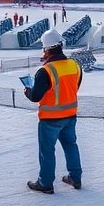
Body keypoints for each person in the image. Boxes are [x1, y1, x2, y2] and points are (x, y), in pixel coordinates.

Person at [25, 29, 83, 193]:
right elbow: (74, 87)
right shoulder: (74, 65)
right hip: (70, 116)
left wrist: (27, 91)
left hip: (50, 119)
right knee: (71, 145)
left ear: (47, 49)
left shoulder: (46, 71)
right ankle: (76, 178)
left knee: (47, 151)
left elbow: (36, 97)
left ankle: (45, 183)